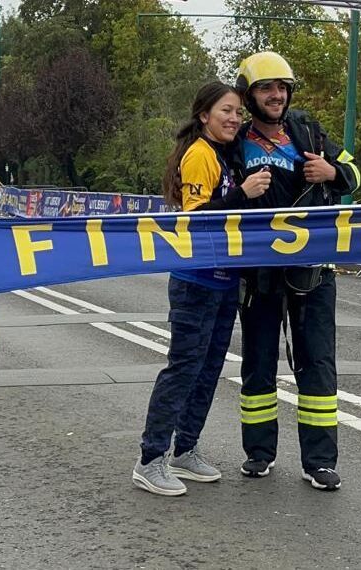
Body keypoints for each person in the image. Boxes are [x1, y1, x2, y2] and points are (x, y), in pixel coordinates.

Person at [131, 82, 271, 496]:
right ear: (203, 115)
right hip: (196, 282)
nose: (233, 119)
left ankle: (185, 449)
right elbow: (197, 220)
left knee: (209, 369)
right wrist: (242, 195)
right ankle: (150, 459)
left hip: (225, 281)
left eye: (238, 113)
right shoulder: (200, 155)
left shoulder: (226, 156)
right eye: (225, 111)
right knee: (184, 368)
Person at [229, 52, 360, 491]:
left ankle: (320, 461)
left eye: (282, 87)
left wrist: (333, 172)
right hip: (258, 272)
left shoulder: (309, 131)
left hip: (313, 272)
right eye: (267, 88)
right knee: (259, 363)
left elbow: (356, 173)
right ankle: (258, 453)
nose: (276, 95)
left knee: (317, 365)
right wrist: (241, 192)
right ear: (250, 95)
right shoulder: (235, 141)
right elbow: (214, 197)